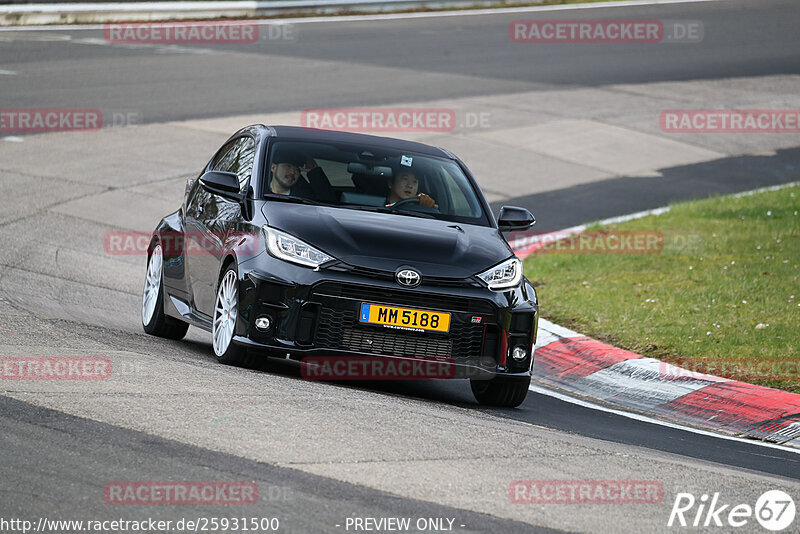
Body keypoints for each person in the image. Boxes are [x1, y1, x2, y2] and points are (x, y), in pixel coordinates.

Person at [268, 151, 335, 201]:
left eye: (297, 170)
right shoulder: (259, 189)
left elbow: (328, 202)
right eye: (288, 166)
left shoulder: (304, 198)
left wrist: (314, 171)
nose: (292, 172)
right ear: (273, 167)